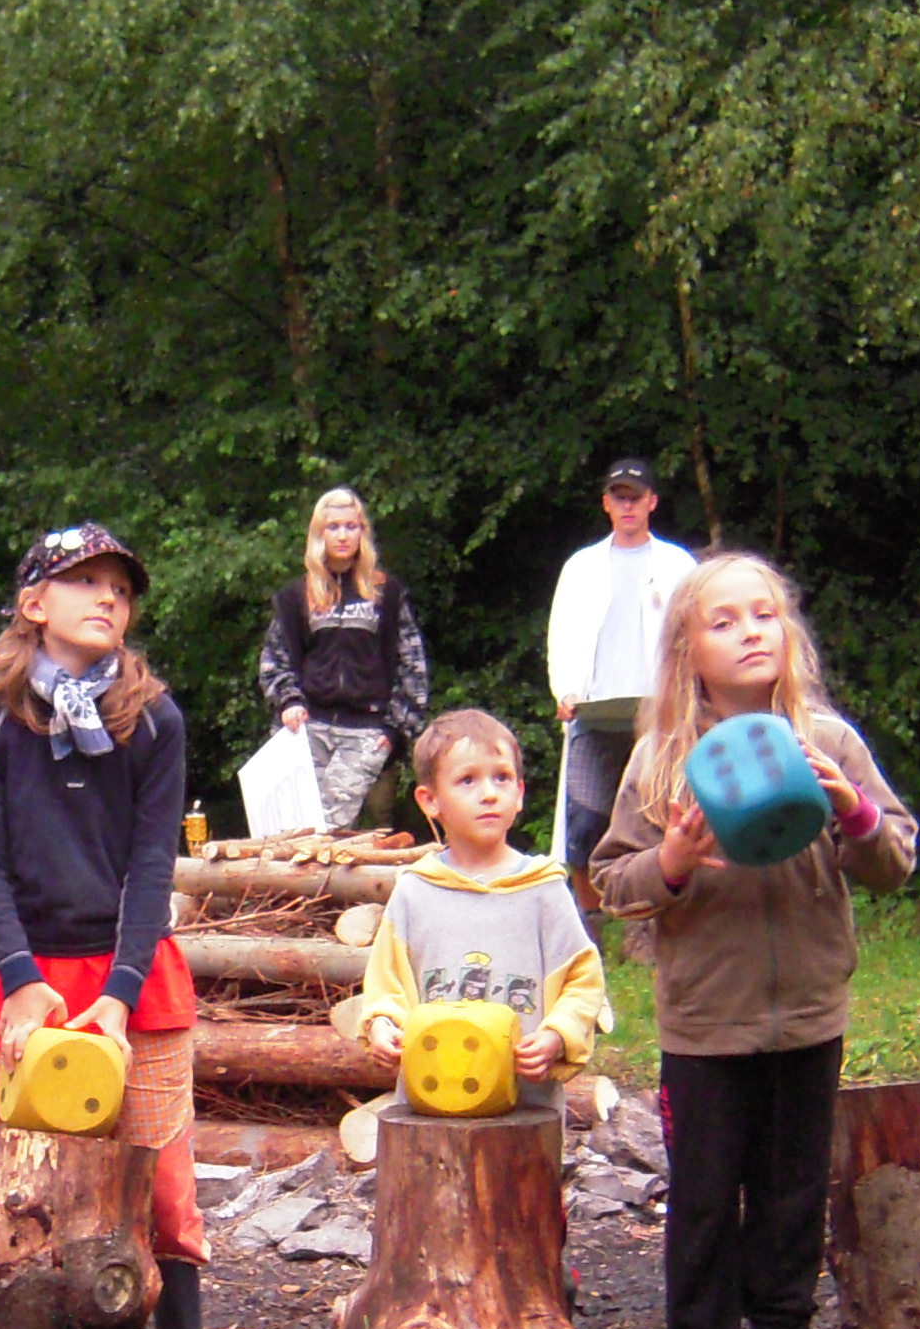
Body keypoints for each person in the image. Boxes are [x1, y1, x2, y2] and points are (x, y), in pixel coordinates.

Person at [0, 523, 240, 1329]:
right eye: (85, 581)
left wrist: (121, 997)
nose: (108, 599)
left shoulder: (155, 719)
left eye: (120, 589)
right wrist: (20, 980)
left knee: (164, 1170)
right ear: (33, 604)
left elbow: (152, 867)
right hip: (28, 975)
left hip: (135, 974)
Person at [593, 555, 918, 1329]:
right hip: (706, 1023)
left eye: (764, 615)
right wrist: (672, 861)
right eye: (725, 621)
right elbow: (612, 880)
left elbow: (895, 860)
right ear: (687, 650)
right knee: (704, 1203)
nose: (749, 633)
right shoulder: (663, 759)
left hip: (809, 1011)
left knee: (792, 1194)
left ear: (789, 633)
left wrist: (854, 813)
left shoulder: (829, 743)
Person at [355, 709, 607, 1111]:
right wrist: (382, 1026)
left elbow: (583, 983)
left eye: (501, 778)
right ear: (430, 800)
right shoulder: (415, 892)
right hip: (431, 1103)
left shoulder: (543, 890)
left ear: (519, 793)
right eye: (467, 780)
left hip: (526, 1108)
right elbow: (387, 985)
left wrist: (557, 1036)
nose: (489, 793)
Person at [545, 459, 699, 880]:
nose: (627, 506)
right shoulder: (581, 567)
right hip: (594, 713)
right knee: (585, 823)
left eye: (635, 497)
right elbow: (561, 634)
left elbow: (695, 637)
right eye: (619, 498)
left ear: (652, 502)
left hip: (659, 716)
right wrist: (565, 692)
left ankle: (649, 910)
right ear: (606, 503)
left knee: (657, 819)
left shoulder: (679, 565)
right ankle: (588, 914)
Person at [259, 487, 432, 832]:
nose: (342, 535)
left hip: (365, 730)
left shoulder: (386, 593)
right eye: (333, 527)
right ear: (319, 534)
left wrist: (395, 730)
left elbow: (414, 668)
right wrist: (289, 701)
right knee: (288, 831)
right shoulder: (296, 596)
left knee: (329, 828)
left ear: (362, 532)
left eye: (351, 526)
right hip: (305, 728)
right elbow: (273, 662)